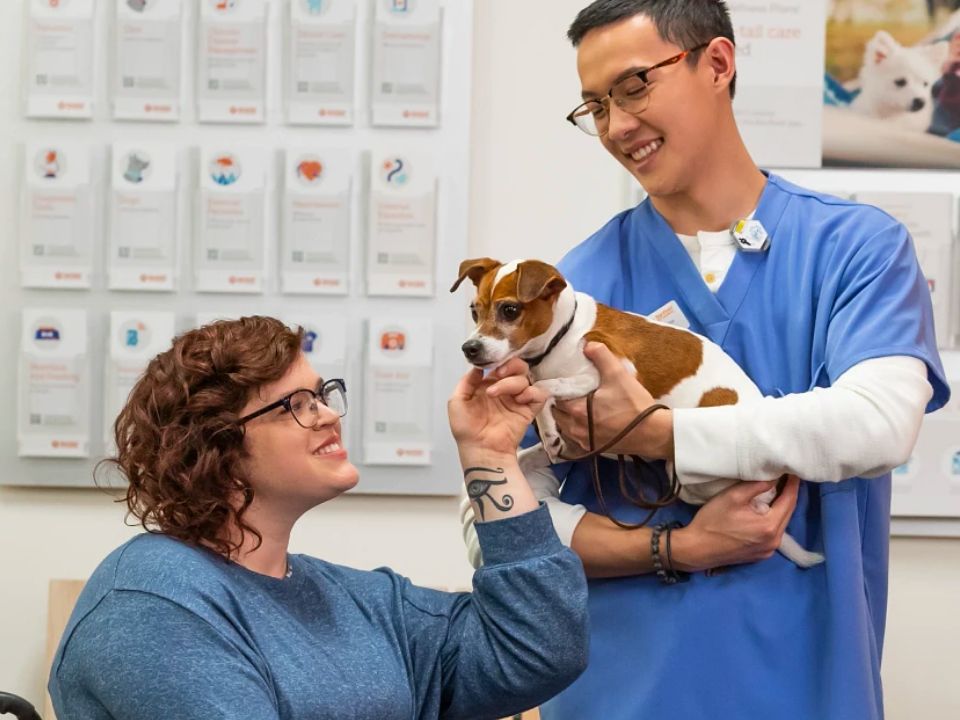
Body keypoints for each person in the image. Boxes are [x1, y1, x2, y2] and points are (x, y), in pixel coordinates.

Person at [459, 2, 949, 718]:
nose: (617, 125)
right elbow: (491, 529)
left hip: (802, 686)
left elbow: (878, 424)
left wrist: (662, 435)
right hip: (619, 693)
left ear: (717, 64)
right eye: (594, 106)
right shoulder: (569, 288)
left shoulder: (855, 249)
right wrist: (675, 548)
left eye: (634, 87)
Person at [48, 316, 589, 720]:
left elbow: (540, 652)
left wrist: (489, 454)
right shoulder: (154, 602)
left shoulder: (356, 601)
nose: (329, 414)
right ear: (215, 445)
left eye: (323, 395)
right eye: (296, 404)